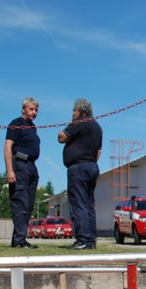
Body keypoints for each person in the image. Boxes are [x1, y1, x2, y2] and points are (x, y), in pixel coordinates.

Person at [58, 98, 102, 250]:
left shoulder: (80, 122)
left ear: (81, 111)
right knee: (89, 205)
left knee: (78, 203)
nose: (72, 113)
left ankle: (82, 239)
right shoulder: (97, 126)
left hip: (79, 167)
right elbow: (99, 151)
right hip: (92, 166)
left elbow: (61, 137)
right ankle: (91, 240)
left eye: (74, 110)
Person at [4, 97, 41, 249]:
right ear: (23, 109)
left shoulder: (32, 127)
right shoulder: (16, 124)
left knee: (29, 205)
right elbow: (7, 147)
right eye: (31, 109)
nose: (34, 112)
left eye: (36, 110)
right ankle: (20, 241)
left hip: (31, 166)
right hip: (19, 164)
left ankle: (18, 239)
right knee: (20, 203)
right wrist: (10, 170)